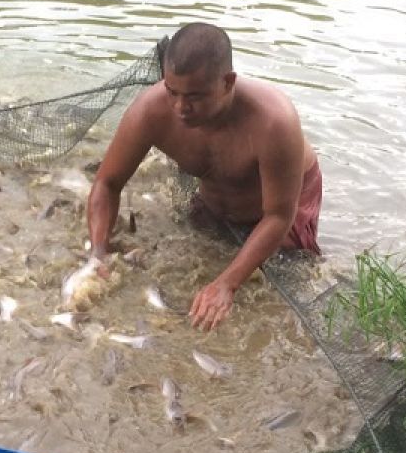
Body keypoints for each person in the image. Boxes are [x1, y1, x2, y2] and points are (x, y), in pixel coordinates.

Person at [86, 22, 323, 331]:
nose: (181, 107)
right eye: (172, 92)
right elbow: (107, 183)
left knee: (286, 272)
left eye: (196, 96)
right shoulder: (150, 111)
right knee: (206, 245)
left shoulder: (274, 122)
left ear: (228, 83)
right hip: (217, 193)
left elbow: (278, 215)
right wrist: (98, 252)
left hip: (283, 201)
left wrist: (227, 284)